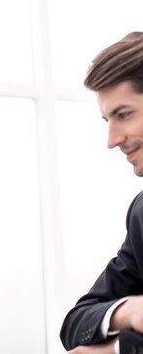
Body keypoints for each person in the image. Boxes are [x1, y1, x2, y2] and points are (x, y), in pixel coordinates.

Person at [60, 31, 143, 353]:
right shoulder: (141, 213)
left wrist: (118, 348)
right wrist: (130, 311)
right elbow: (77, 322)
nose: (112, 140)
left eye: (124, 115)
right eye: (107, 119)